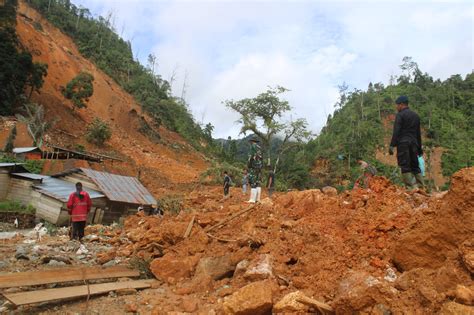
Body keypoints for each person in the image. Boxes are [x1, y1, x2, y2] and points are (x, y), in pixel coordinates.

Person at [389, 95, 424, 190]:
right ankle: (421, 188)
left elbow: (396, 131)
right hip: (414, 144)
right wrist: (419, 149)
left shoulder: (400, 115)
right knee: (415, 165)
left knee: (405, 165)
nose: (396, 107)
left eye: (397, 105)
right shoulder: (416, 116)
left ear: (401, 104)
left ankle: (410, 188)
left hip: (403, 144)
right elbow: (418, 134)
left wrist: (392, 145)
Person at [247, 137, 263, 203]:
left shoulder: (252, 147)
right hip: (259, 167)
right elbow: (261, 158)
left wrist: (249, 165)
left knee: (252, 181)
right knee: (257, 182)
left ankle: (252, 199)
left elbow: (250, 157)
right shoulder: (260, 148)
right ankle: (257, 199)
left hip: (253, 167)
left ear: (252, 141)